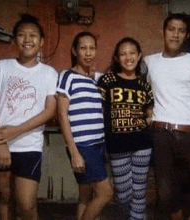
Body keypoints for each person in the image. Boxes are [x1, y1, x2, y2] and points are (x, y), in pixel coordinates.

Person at [0, 14, 58, 220]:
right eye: (21, 35)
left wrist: (15, 131)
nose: (27, 39)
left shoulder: (49, 73)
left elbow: (49, 111)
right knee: (3, 198)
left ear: (42, 41)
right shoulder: (0, 68)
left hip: (29, 146)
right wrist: (1, 142)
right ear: (14, 40)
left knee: (26, 205)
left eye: (32, 35)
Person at [144, 13, 190, 219]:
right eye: (172, 29)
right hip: (161, 134)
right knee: (166, 194)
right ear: (163, 33)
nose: (176, 34)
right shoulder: (149, 62)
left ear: (187, 35)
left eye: (181, 31)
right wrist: (147, 113)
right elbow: (138, 90)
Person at [57, 31, 113, 220]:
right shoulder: (67, 76)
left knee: (85, 196)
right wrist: (74, 152)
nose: (88, 53)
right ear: (75, 51)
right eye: (83, 48)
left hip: (98, 144)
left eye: (92, 48)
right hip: (83, 146)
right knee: (106, 193)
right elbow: (62, 115)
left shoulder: (96, 79)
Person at [97, 37, 154, 220]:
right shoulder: (107, 81)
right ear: (116, 58)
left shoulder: (144, 84)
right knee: (123, 193)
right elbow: (99, 110)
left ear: (139, 56)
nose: (128, 57)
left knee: (139, 191)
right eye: (123, 53)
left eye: (132, 53)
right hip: (117, 144)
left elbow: (149, 112)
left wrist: (148, 118)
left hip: (142, 144)